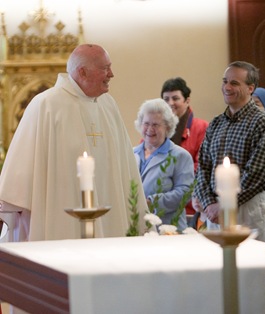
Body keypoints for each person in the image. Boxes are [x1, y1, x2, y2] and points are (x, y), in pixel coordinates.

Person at [0, 44, 150, 241]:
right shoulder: (46, 105)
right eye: (105, 68)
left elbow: (126, 166)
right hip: (60, 221)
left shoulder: (109, 105)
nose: (111, 74)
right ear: (83, 72)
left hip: (111, 218)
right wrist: (15, 204)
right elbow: (21, 173)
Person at [193, 61, 265, 241]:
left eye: (234, 83)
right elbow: (203, 168)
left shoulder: (262, 122)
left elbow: (257, 173)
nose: (227, 87)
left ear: (251, 88)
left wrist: (224, 205)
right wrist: (209, 204)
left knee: (251, 266)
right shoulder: (216, 123)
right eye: (225, 81)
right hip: (215, 210)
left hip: (248, 208)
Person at [133, 98, 195, 231]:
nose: (150, 129)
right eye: (146, 123)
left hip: (168, 230)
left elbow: (185, 193)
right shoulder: (131, 154)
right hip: (137, 228)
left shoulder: (180, 156)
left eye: (155, 125)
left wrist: (152, 201)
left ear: (167, 127)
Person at [161, 77, 208, 220]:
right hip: (161, 203)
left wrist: (169, 174)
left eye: (175, 98)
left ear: (187, 101)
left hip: (191, 205)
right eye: (166, 99)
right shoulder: (155, 129)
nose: (170, 103)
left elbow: (202, 165)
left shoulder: (202, 128)